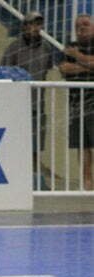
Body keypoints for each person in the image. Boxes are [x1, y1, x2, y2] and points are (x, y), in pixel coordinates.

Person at [0, 11, 59, 190]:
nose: (35, 28)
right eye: (31, 24)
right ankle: (14, 179)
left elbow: (47, 70)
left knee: (36, 145)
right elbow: (3, 72)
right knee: (15, 143)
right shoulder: (14, 48)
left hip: (37, 104)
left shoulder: (47, 48)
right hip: (17, 104)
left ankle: (35, 181)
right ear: (24, 26)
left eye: (38, 24)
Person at [59, 13, 94, 191]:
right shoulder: (70, 46)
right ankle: (87, 182)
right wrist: (86, 64)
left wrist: (77, 56)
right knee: (82, 144)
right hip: (76, 104)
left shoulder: (74, 50)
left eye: (85, 24)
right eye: (78, 26)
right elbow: (64, 69)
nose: (81, 28)